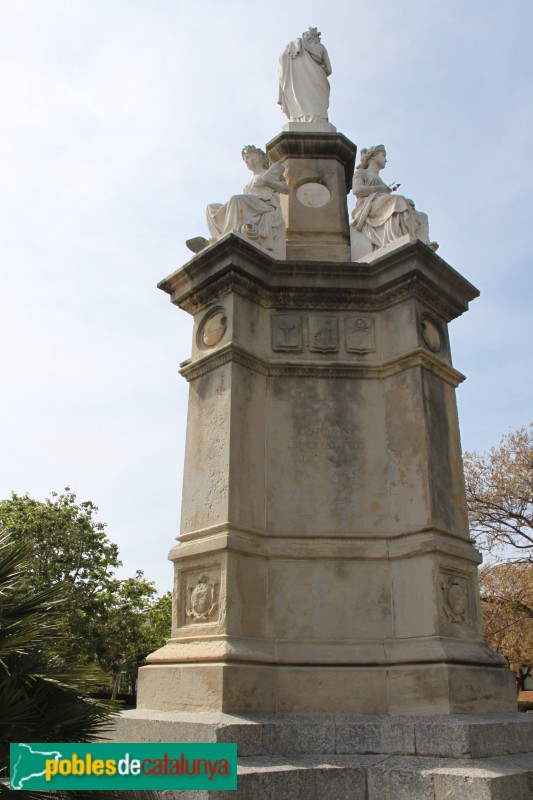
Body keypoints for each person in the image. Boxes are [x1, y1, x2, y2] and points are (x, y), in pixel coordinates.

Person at [205, 146, 289, 258]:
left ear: (259, 156)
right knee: (211, 208)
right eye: (245, 159)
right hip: (251, 206)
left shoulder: (271, 172)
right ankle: (218, 237)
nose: (246, 160)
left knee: (235, 200)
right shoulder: (248, 184)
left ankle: (227, 235)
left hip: (264, 204)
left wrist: (266, 181)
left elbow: (286, 189)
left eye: (248, 157)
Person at [351, 145, 437, 251]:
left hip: (378, 203)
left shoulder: (379, 179)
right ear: (373, 156)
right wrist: (380, 189)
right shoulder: (361, 173)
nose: (386, 160)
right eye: (383, 155)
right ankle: (398, 238)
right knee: (399, 201)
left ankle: (424, 243)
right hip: (367, 205)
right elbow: (357, 190)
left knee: (422, 216)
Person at [278, 27, 332, 123]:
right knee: (317, 105)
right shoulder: (321, 48)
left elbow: (282, 59)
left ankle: (300, 119)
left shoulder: (295, 45)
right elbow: (328, 69)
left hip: (299, 83)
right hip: (318, 80)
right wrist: (317, 68)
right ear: (317, 38)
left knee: (300, 99)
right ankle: (318, 119)